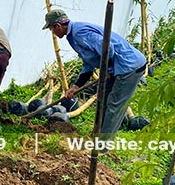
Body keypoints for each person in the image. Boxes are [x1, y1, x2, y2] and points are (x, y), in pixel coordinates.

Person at [43, 8, 145, 139]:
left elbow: (107, 47)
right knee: (103, 100)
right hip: (116, 67)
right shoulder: (72, 36)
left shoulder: (80, 32)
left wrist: (107, 69)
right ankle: (96, 135)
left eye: (52, 29)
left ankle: (102, 144)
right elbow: (88, 62)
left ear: (57, 26)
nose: (53, 33)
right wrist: (76, 86)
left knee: (115, 104)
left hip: (128, 66)